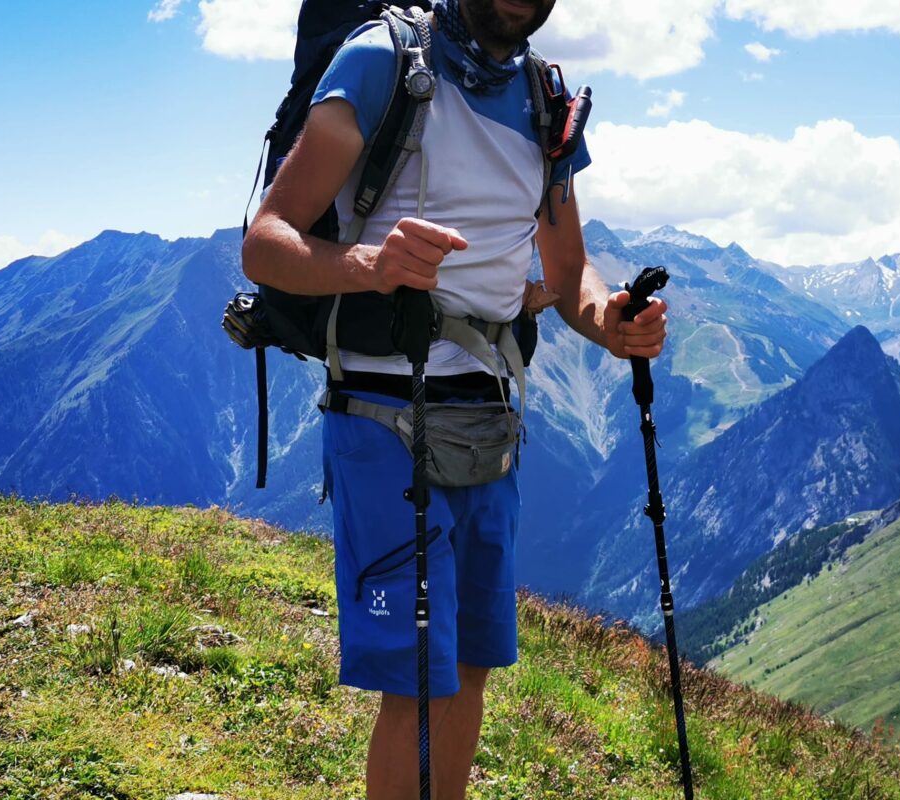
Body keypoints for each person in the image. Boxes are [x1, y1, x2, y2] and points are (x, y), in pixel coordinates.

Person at [241, 1, 667, 797]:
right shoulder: (383, 60)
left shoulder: (545, 101)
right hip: (381, 413)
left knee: (469, 665)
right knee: (419, 685)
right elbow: (266, 242)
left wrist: (610, 321)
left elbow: (569, 272)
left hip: (490, 419)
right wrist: (369, 264)